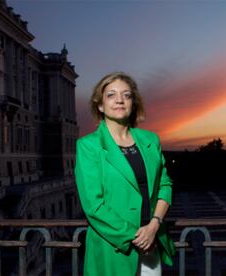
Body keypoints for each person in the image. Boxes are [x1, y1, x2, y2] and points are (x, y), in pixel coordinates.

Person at [75, 72, 176, 275]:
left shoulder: (151, 140)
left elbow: (165, 185)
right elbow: (94, 206)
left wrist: (154, 226)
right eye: (111, 94)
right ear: (100, 106)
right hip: (113, 248)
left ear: (133, 103)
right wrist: (137, 237)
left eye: (126, 95)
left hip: (152, 245)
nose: (120, 99)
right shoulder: (88, 146)